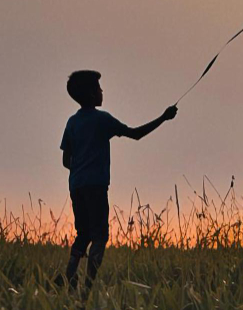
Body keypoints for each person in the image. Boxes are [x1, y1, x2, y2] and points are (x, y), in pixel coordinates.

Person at [60, 70, 177, 290]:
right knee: (100, 237)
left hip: (76, 186)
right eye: (99, 88)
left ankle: (68, 277)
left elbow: (66, 160)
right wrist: (164, 117)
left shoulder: (72, 122)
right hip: (96, 186)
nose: (102, 91)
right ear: (92, 94)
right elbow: (135, 134)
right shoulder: (102, 120)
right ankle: (87, 288)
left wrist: (80, 169)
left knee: (83, 234)